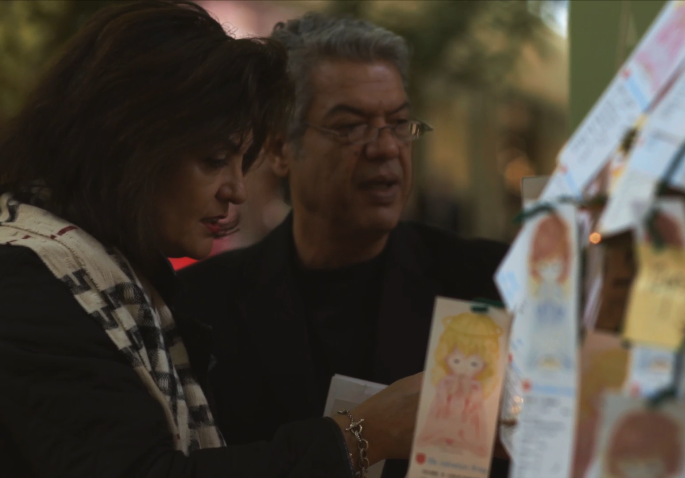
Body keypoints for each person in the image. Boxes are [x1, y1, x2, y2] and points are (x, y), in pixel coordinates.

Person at [0, 2, 420, 477]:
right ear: (129, 145)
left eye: (242, 162)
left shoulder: (122, 277)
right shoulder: (29, 280)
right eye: (215, 159)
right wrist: (358, 437)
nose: (236, 189)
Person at [176, 13, 509, 477]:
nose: (386, 148)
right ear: (279, 150)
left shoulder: (485, 283)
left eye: (398, 123)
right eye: (350, 127)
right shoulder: (199, 306)